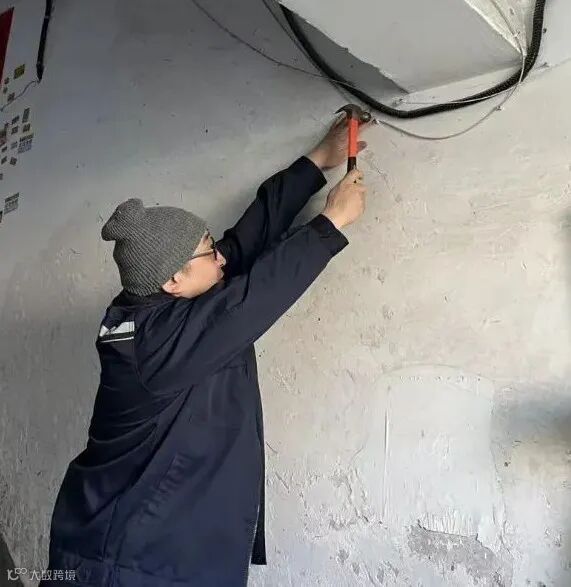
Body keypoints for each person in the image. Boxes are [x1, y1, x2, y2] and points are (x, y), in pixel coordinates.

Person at [42, 116, 369, 586]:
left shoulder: (163, 299)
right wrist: (330, 222)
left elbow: (244, 243)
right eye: (208, 250)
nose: (220, 256)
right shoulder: (154, 342)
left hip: (158, 548)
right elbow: (250, 300)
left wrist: (319, 160)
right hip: (126, 561)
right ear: (173, 279)